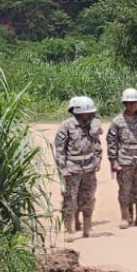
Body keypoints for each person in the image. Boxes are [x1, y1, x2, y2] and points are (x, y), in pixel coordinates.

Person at [53, 96, 102, 240]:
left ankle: (88, 228)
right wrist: (63, 168)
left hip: (89, 167)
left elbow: (97, 145)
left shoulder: (92, 125)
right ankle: (69, 230)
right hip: (72, 168)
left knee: (88, 198)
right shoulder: (66, 126)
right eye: (86, 112)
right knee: (70, 199)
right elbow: (60, 149)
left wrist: (98, 160)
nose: (88, 115)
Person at [106, 88, 137, 229]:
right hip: (124, 159)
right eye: (129, 103)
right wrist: (113, 161)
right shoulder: (117, 121)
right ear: (124, 103)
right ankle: (125, 218)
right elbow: (111, 142)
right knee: (124, 190)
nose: (132, 105)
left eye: (134, 103)